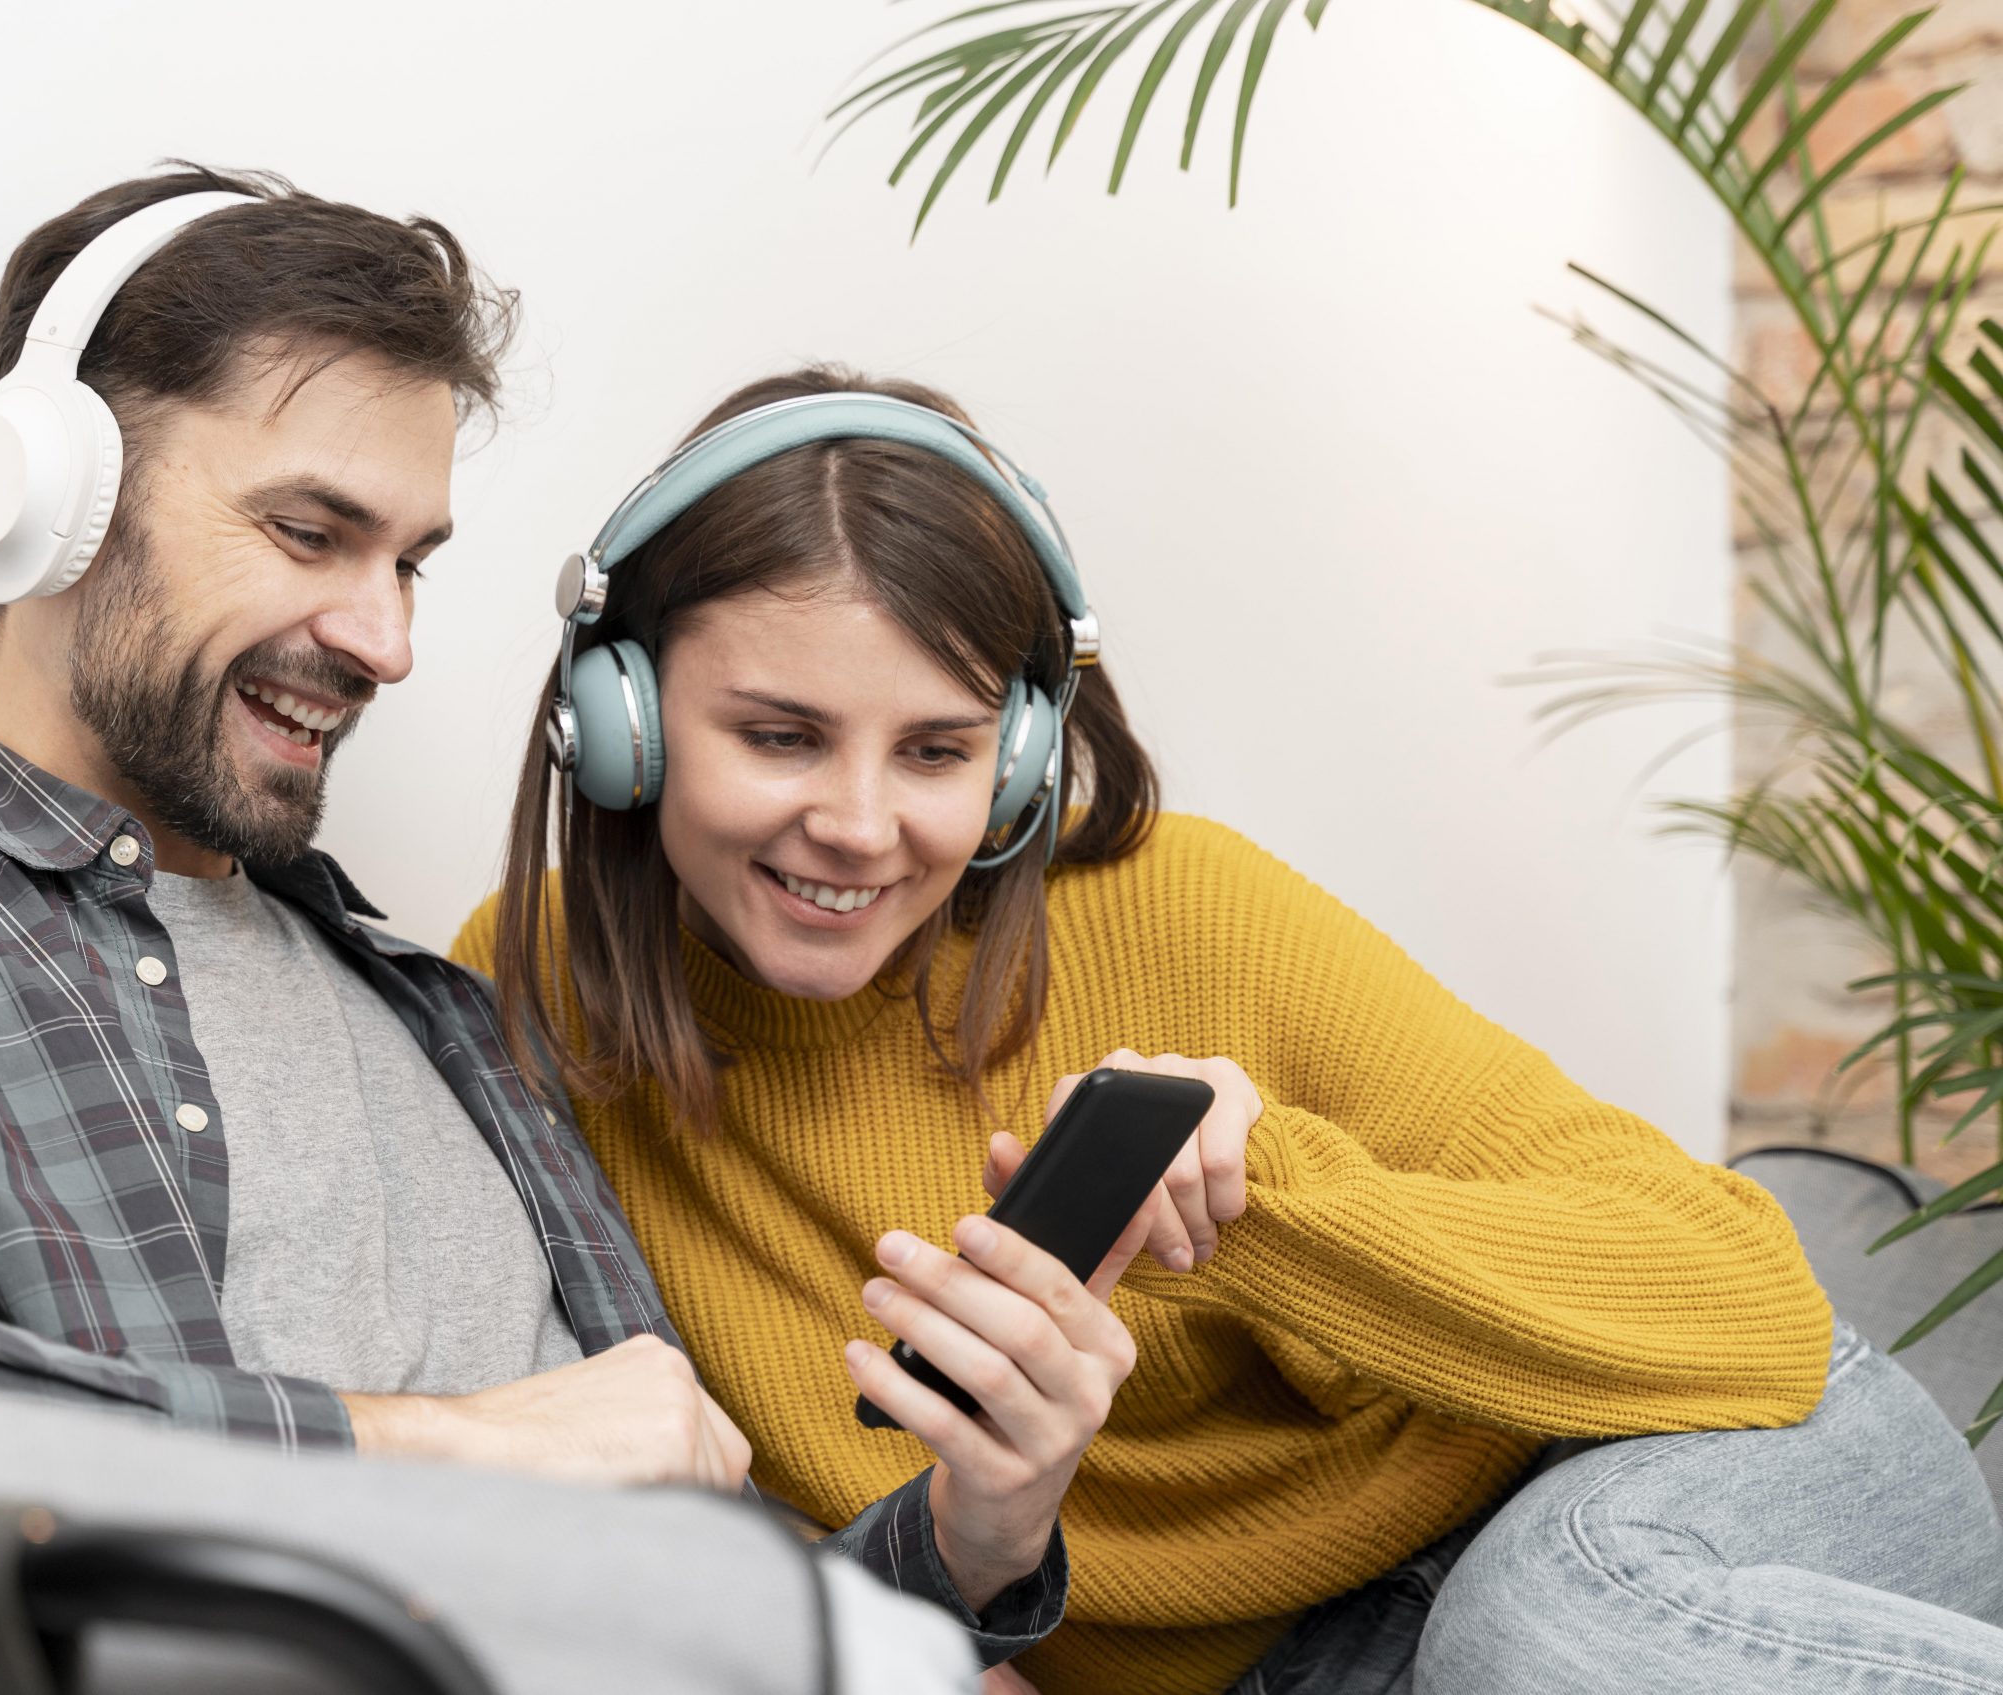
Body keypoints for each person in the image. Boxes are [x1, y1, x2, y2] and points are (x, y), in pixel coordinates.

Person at [0, 171, 1067, 1663]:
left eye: (411, 567)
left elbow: (680, 1602)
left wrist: (976, 1536)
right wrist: (427, 1451)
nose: (382, 641)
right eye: (311, 535)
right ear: (48, 502)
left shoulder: (437, 1006)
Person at [454, 364, 2003, 1695]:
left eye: (937, 750)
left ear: (1017, 762)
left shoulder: (1186, 904)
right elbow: (742, 1572)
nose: (860, 826)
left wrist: (1279, 1202)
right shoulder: (533, 1006)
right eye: (779, 735)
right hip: (1324, 1667)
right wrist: (989, 1525)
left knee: (1543, 1634)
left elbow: (1749, 1307)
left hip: (1670, 1474)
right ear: (620, 723)